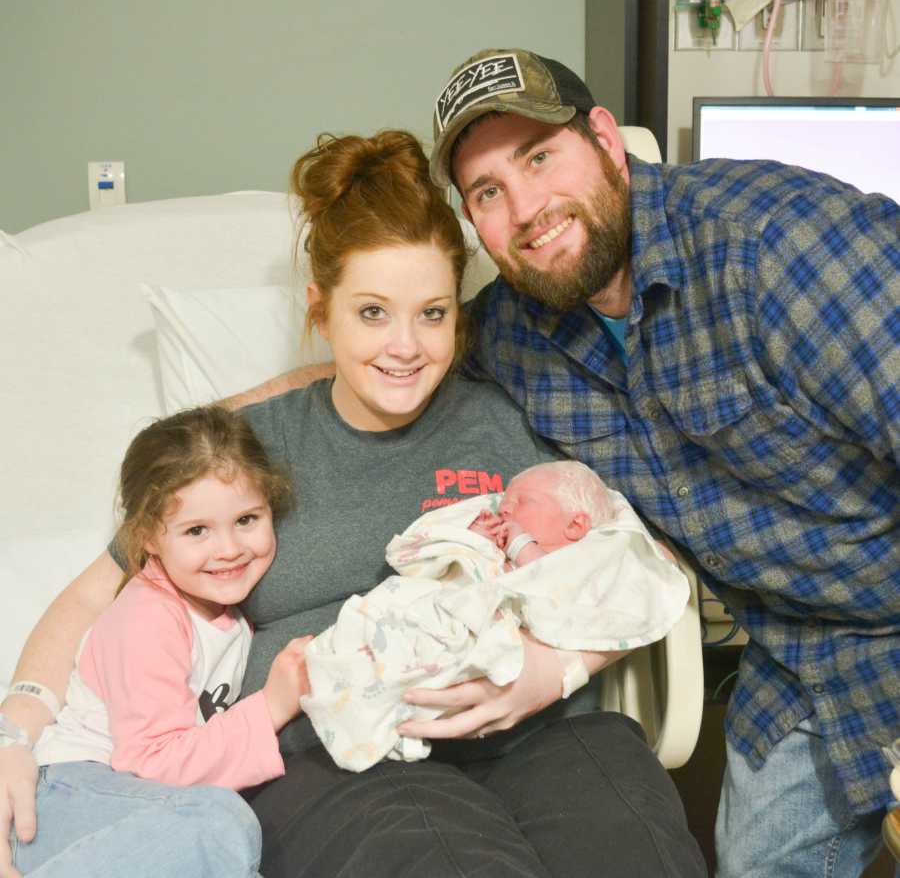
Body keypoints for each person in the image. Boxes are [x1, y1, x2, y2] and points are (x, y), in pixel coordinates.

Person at [0, 129, 705, 878]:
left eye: (432, 313)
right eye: (372, 313)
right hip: (333, 755)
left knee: (636, 850)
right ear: (320, 308)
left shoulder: (510, 414)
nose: (405, 345)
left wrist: (557, 670)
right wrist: (16, 731)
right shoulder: (239, 453)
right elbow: (94, 591)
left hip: (541, 729)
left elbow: (633, 561)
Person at [415, 47, 899, 878]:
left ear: (606, 139)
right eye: (489, 191)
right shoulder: (519, 331)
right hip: (802, 660)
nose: (526, 208)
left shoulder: (779, 249)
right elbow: (394, 354)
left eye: (539, 156)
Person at [9, 405, 312, 876]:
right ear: (149, 535)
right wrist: (272, 706)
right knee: (221, 822)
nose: (229, 548)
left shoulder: (223, 610)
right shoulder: (148, 616)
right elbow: (151, 760)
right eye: (197, 531)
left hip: (131, 803)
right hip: (70, 791)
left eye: (247, 520)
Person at [301, 459, 689, 772]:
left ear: (576, 525)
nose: (505, 507)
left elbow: (546, 584)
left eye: (523, 502)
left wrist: (519, 543)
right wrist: (473, 537)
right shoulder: (507, 540)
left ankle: (388, 706)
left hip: (511, 671)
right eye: (506, 502)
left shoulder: (576, 562)